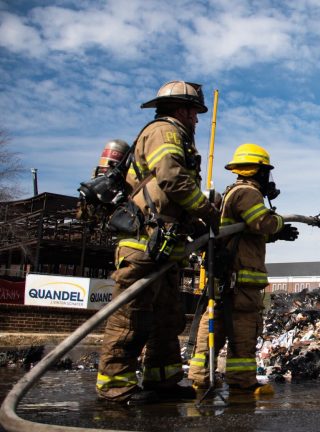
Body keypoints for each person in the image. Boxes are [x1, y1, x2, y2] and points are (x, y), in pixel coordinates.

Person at [96, 81, 219, 404]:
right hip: (144, 242)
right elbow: (171, 178)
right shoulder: (164, 132)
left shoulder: (178, 137)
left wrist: (197, 226)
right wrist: (208, 211)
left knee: (167, 318)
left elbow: (172, 198)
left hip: (164, 244)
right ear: (181, 109)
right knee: (131, 317)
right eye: (194, 112)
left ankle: (162, 380)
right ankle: (115, 387)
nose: (196, 119)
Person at [187, 143, 298, 393]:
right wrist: (278, 224)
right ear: (258, 170)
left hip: (227, 278)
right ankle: (242, 383)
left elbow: (244, 233)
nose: (269, 178)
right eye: (266, 172)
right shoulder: (248, 193)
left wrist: (275, 236)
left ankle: (200, 377)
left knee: (216, 327)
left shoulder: (233, 192)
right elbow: (261, 222)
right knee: (244, 330)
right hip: (241, 282)